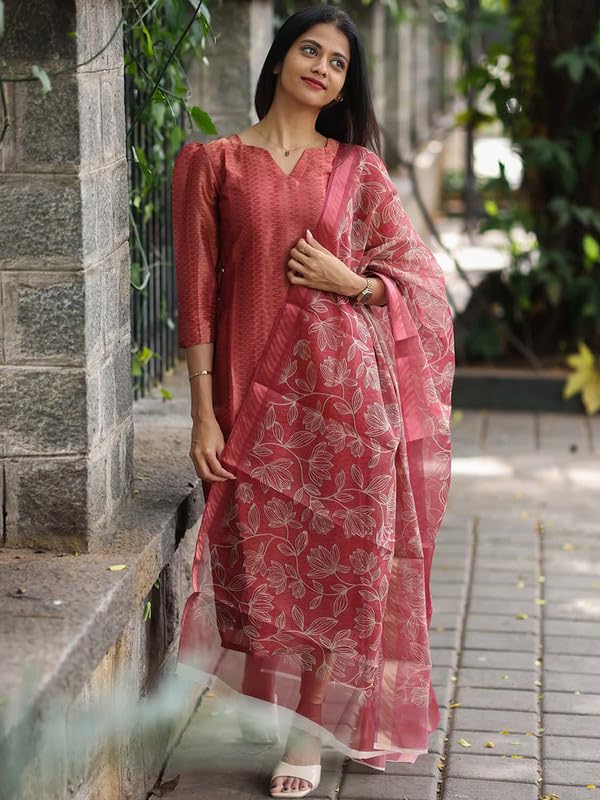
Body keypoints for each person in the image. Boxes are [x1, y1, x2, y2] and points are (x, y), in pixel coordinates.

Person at [172, 5, 454, 798]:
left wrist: (352, 282)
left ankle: (305, 734)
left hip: (345, 398)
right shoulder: (213, 162)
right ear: (277, 59)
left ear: (343, 86)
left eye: (337, 63)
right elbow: (195, 299)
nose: (322, 68)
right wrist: (202, 412)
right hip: (249, 391)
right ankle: (275, 705)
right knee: (266, 561)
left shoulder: (357, 171)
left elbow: (423, 283)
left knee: (338, 562)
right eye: (310, 50)